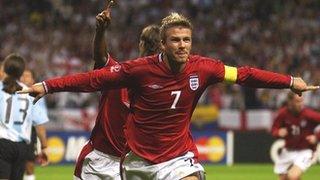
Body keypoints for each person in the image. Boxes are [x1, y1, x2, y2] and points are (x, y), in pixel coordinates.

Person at [19, 13, 319, 180]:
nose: (182, 45)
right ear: (162, 43)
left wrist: (289, 81)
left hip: (178, 158)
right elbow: (93, 78)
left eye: (186, 40)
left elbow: (245, 74)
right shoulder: (138, 71)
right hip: (137, 162)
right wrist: (47, 86)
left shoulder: (205, 68)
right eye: (175, 40)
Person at [73, 4, 161, 180]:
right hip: (98, 161)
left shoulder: (165, 88)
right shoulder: (118, 74)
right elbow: (101, 58)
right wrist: (100, 31)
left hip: (131, 164)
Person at [0, 54, 49, 180]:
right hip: (22, 148)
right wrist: (44, 147)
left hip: (3, 144)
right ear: (21, 72)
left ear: (4, 69)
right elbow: (40, 125)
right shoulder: (30, 92)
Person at [271, 92, 320, 180]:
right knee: (284, 178)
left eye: (301, 101)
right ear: (290, 102)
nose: (301, 104)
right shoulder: (283, 113)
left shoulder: (308, 114)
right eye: (297, 101)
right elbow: (274, 129)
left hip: (305, 151)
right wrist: (278, 132)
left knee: (292, 176)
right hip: (288, 150)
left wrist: (317, 137)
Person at [20, 69, 49, 180]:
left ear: (32, 80)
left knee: (29, 165)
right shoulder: (9, 91)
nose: (24, 78)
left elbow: (40, 123)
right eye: (22, 75)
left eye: (27, 76)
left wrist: (44, 145)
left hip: (29, 132)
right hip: (9, 132)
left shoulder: (36, 95)